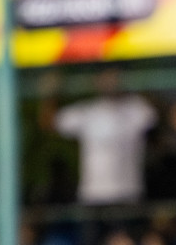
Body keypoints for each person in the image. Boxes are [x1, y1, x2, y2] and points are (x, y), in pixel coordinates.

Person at [41, 68, 156, 206]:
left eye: (114, 76)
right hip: (93, 197)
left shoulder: (136, 108)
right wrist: (50, 92)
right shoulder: (88, 111)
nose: (110, 81)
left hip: (127, 195)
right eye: (105, 76)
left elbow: (157, 115)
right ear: (96, 80)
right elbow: (49, 122)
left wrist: (133, 83)